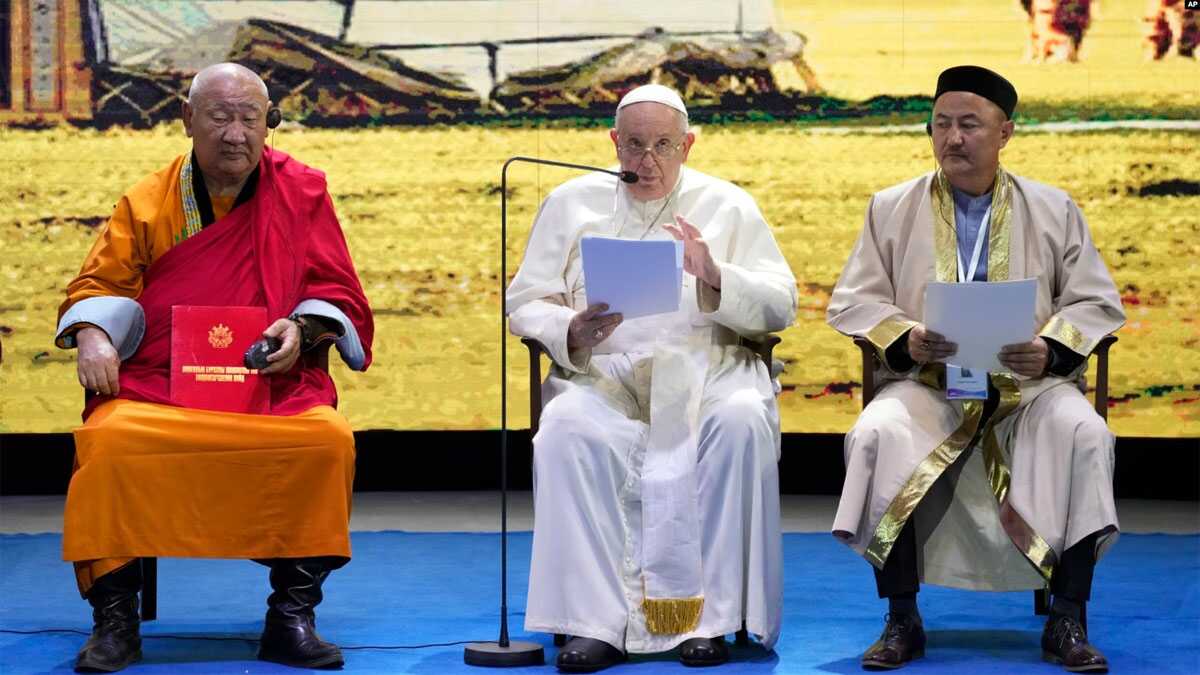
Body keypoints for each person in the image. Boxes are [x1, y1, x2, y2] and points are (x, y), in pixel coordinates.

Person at [53, 63, 373, 672]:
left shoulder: (300, 191)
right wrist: (93, 333)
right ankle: (114, 622)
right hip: (162, 388)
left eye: (250, 118)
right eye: (220, 116)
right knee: (109, 441)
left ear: (269, 122)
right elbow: (96, 283)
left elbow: (338, 289)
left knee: (326, 441)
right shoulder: (149, 200)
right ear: (187, 120)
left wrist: (302, 329)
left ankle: (291, 617)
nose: (235, 133)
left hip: (269, 385)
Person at [826, 65, 1125, 672]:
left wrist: (1052, 348)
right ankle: (902, 618)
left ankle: (1067, 618)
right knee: (877, 433)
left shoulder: (1052, 207)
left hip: (1030, 387)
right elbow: (855, 300)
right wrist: (906, 338)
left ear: (1005, 132)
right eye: (941, 124)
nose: (952, 139)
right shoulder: (891, 207)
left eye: (969, 124)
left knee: (1085, 433)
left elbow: (1094, 301)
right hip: (928, 384)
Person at [506, 84, 797, 671]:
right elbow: (525, 302)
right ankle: (592, 624)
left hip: (707, 369)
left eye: (663, 145)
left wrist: (715, 275)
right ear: (613, 142)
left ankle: (707, 620)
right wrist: (571, 328)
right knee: (565, 427)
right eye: (634, 145)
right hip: (603, 376)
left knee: (740, 420)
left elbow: (780, 304)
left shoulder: (728, 205)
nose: (647, 161)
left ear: (687, 145)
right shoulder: (569, 202)